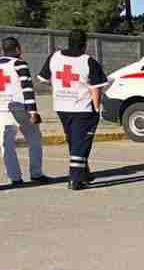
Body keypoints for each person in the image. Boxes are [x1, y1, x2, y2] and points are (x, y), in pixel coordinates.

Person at [37, 29, 108, 190]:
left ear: (68, 41)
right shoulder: (88, 61)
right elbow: (96, 88)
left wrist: (59, 88)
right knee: (81, 143)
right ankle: (75, 179)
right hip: (83, 108)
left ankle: (84, 172)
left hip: (61, 107)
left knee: (75, 141)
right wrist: (97, 108)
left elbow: (43, 78)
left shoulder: (54, 57)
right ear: (85, 44)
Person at [1, 36, 49, 186]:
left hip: (2, 108)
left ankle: (14, 177)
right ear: (18, 49)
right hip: (21, 108)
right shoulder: (19, 63)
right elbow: (27, 88)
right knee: (34, 140)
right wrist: (33, 111)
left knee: (6, 145)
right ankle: (36, 173)